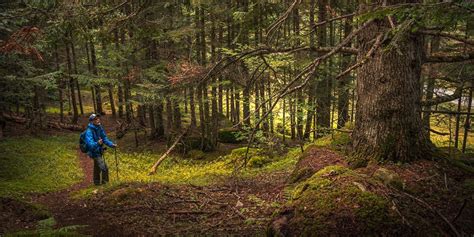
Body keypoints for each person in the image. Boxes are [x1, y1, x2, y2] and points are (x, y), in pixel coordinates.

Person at [84, 113, 117, 185]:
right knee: (104, 168)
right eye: (95, 119)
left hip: (99, 150)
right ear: (91, 121)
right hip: (94, 152)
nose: (98, 120)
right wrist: (98, 143)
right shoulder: (89, 131)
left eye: (98, 118)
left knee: (97, 167)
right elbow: (90, 145)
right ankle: (105, 184)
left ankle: (96, 182)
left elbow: (104, 138)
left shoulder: (99, 127)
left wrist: (111, 144)